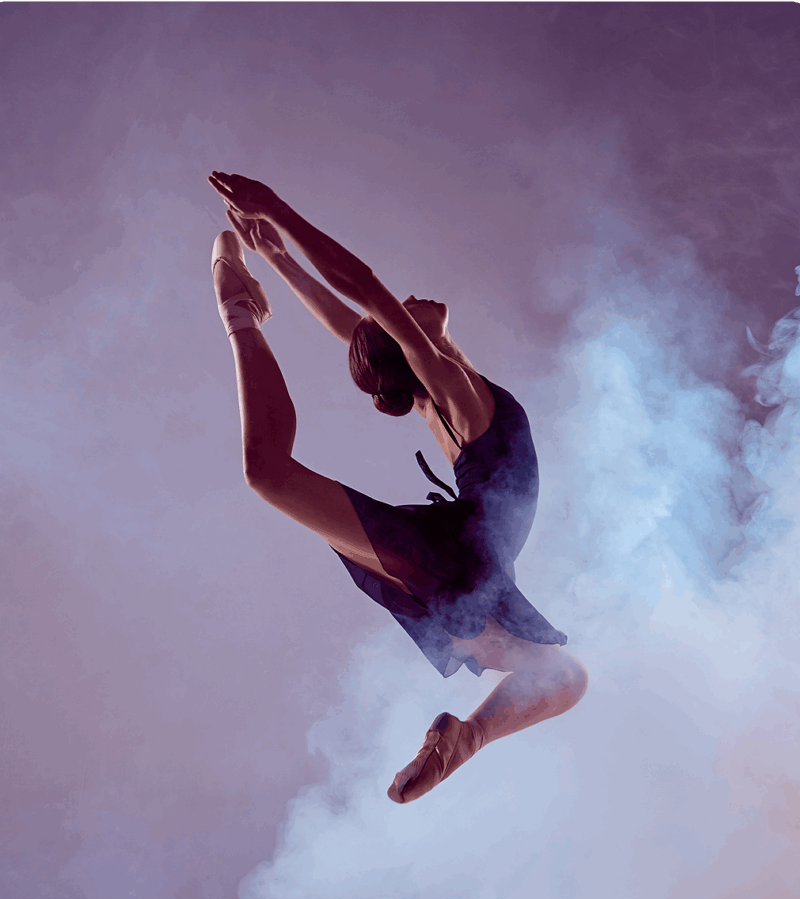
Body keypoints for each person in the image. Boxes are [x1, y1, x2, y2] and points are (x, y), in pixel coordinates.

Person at [207, 171, 588, 803]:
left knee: (565, 678)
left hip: (469, 558)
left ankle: (464, 739)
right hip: (463, 548)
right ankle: (238, 312)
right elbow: (363, 289)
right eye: (401, 313)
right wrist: (278, 210)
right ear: (408, 345)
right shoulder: (452, 391)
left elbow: (349, 326)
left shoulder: (434, 394)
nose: (405, 299)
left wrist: (277, 258)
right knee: (267, 474)